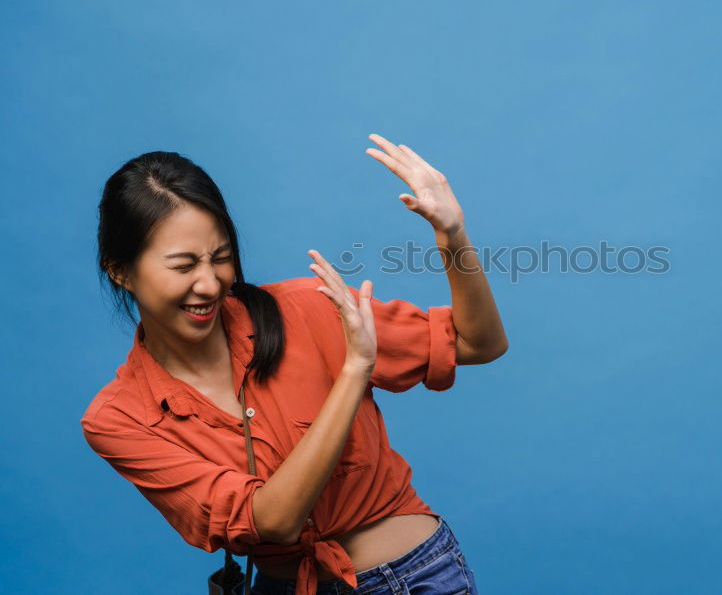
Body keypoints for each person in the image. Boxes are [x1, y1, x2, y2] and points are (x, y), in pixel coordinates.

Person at [81, 133, 507, 595]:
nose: (209, 283)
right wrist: (353, 372)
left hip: (415, 577)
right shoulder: (119, 420)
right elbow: (274, 521)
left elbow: (478, 344)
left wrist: (452, 234)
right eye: (183, 266)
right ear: (120, 270)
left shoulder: (309, 308)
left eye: (221, 258)